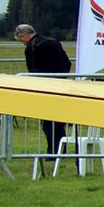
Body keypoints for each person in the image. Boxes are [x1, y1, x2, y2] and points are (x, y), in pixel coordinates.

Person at [16, 23, 72, 156]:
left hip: (45, 88)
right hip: (61, 85)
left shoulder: (32, 46)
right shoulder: (53, 42)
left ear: (23, 35)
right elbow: (67, 63)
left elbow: (33, 70)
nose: (21, 42)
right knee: (59, 121)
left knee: (48, 123)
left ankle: (52, 151)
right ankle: (61, 150)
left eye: (20, 39)